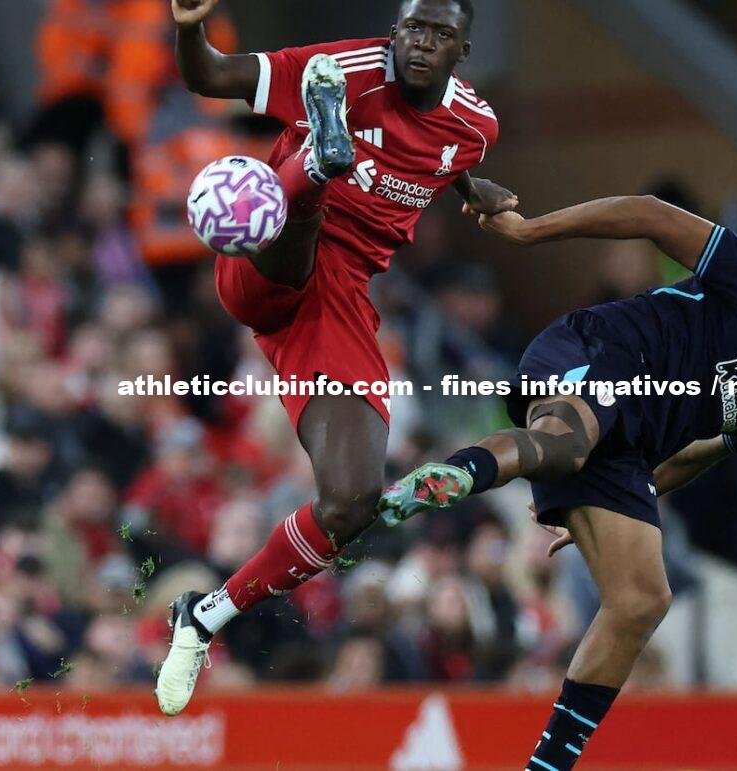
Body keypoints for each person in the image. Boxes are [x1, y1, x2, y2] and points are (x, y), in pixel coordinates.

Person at [377, 194, 737, 770]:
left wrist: (616, 511)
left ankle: (548, 765)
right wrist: (531, 231)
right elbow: (650, 214)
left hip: (630, 450)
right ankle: (455, 473)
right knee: (566, 443)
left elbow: (702, 451)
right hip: (601, 349)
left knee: (642, 600)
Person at [155, 0, 517, 715]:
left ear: (462, 53)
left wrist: (474, 188)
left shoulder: (476, 128)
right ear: (395, 32)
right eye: (412, 28)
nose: (421, 43)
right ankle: (315, 167)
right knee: (290, 221)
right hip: (265, 260)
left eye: (440, 35)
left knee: (351, 502)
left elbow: (443, 156)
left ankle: (203, 618)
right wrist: (190, 26)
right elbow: (210, 76)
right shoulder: (337, 69)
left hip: (338, 303)